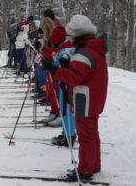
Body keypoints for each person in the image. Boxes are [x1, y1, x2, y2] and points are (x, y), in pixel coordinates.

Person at [41, 15, 108, 180]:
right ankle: (94, 165)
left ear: (78, 35)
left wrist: (53, 69)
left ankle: (85, 170)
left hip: (85, 100)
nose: (69, 38)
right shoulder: (94, 49)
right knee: (92, 134)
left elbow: (73, 77)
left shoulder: (83, 53)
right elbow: (83, 72)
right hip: (94, 98)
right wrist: (67, 66)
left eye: (71, 35)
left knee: (86, 136)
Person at [49, 26, 76, 146]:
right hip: (63, 83)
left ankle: (69, 136)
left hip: (66, 85)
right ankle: (67, 133)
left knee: (66, 110)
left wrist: (52, 67)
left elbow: (62, 68)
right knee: (64, 109)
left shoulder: (65, 51)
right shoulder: (64, 48)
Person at [39, 17, 61, 126]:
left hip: (54, 66)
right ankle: (54, 111)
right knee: (51, 91)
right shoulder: (46, 37)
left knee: (56, 90)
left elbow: (54, 52)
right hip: (48, 66)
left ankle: (60, 112)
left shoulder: (53, 37)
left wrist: (44, 52)